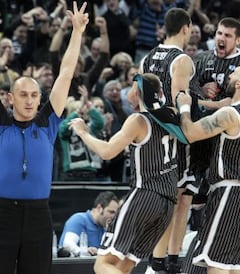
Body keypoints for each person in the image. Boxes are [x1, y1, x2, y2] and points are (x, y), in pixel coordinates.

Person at [0, 3, 88, 274]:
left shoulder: (48, 123)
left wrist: (76, 32)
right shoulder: (2, 125)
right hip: (3, 216)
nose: (29, 100)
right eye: (23, 95)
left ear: (40, 98)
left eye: (34, 95)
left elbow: (65, 73)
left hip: (39, 216)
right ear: (10, 98)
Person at [69, 72, 178, 274]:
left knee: (102, 265)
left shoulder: (138, 120)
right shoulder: (171, 118)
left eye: (132, 86)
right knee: (123, 267)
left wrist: (83, 132)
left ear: (137, 92)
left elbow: (107, 151)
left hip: (145, 194)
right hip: (168, 204)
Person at [176, 64, 240, 273]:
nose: (229, 76)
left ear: (239, 83)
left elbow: (191, 132)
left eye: (233, 75)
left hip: (230, 192)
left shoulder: (230, 115)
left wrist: (185, 106)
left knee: (216, 266)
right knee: (231, 265)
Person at [140, 7, 195, 273]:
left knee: (167, 199)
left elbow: (134, 98)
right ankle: (166, 261)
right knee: (179, 198)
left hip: (150, 138)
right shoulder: (181, 60)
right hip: (174, 139)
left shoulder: (147, 58)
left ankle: (163, 259)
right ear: (186, 28)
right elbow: (178, 104)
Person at [59, 191, 119, 256]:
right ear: (99, 208)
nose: (114, 217)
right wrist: (83, 252)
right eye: (111, 212)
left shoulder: (105, 228)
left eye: (116, 214)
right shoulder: (78, 219)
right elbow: (67, 244)